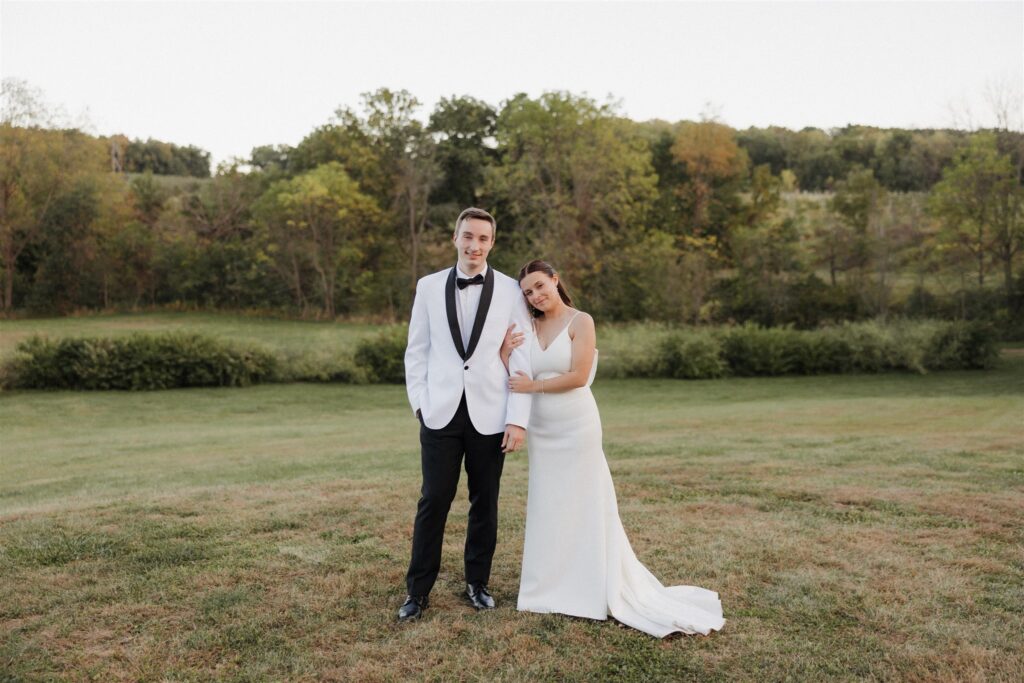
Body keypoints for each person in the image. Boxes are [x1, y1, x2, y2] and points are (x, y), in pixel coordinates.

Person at [500, 259, 725, 638]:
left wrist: (534, 388)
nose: (535, 296)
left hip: (576, 423)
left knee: (585, 500)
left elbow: (577, 375)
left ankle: (590, 587)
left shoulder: (580, 321)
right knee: (549, 502)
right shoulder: (529, 326)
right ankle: (549, 589)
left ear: (555, 281)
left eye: (540, 286)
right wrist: (506, 352)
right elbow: (518, 373)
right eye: (528, 292)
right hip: (543, 428)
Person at [399, 208, 534, 622]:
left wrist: (517, 418)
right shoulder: (428, 286)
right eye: (468, 236)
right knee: (433, 500)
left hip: (490, 414)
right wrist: (420, 402)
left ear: (493, 243)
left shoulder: (512, 290)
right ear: (455, 237)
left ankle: (478, 583)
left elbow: (521, 354)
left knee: (485, 501)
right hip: (439, 413)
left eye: (483, 239)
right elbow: (416, 350)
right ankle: (418, 592)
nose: (475, 245)